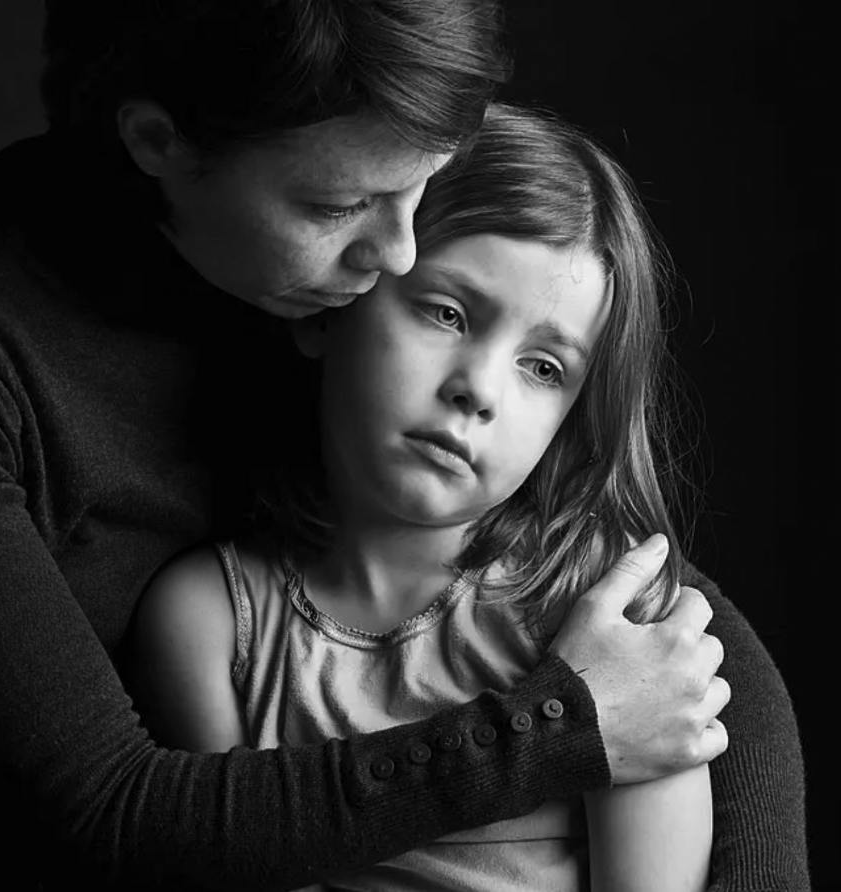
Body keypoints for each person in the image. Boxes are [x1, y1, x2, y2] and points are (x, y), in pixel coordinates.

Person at [0, 1, 807, 890]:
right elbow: (116, 814)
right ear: (158, 141)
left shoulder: (332, 270)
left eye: (419, 190)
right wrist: (558, 726)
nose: (398, 253)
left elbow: (683, 649)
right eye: (346, 203)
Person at [128, 102, 715, 892]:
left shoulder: (597, 616)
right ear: (334, 304)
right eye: (446, 312)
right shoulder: (210, 621)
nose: (477, 390)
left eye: (543, 368)